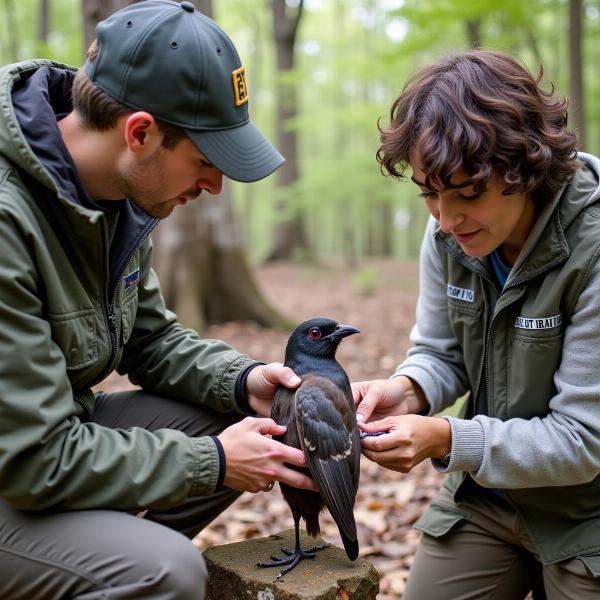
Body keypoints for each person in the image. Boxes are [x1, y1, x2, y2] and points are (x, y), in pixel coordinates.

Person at [0, 1, 317, 598]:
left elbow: (151, 339)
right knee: (162, 571)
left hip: (44, 440)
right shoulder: (8, 217)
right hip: (22, 462)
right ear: (140, 132)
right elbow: (32, 460)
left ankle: (84, 560)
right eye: (204, 161)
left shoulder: (113, 197)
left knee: (252, 423)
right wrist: (214, 463)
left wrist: (245, 379)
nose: (214, 185)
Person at [353, 49, 600, 598]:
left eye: (468, 193)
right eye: (428, 194)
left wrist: (446, 436)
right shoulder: (449, 232)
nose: (445, 217)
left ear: (526, 167)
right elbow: (442, 352)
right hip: (486, 494)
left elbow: (584, 440)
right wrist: (406, 392)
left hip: (590, 510)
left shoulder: (594, 246)